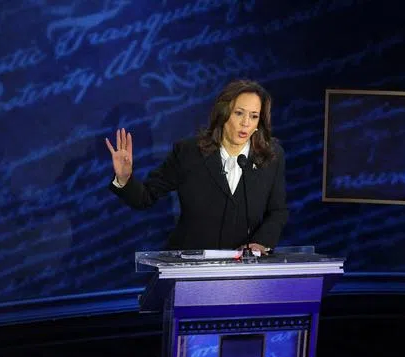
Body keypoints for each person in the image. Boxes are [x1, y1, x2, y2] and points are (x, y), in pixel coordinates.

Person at [105, 79, 288, 254]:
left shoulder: (270, 156)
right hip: (191, 268)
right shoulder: (189, 153)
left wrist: (260, 243)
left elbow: (277, 211)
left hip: (243, 271)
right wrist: (124, 178)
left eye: (254, 116)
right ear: (223, 113)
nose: (246, 123)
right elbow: (145, 197)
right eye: (239, 113)